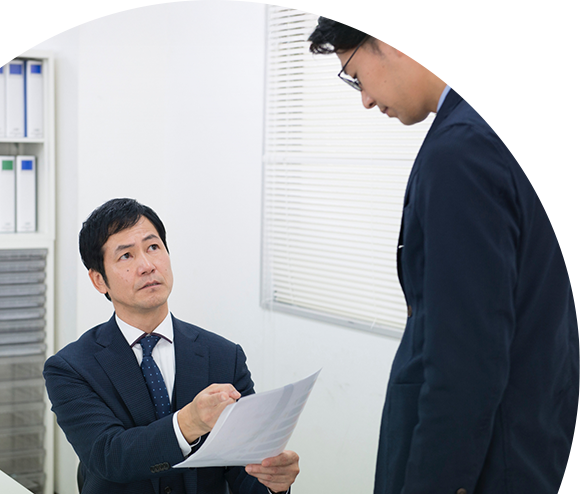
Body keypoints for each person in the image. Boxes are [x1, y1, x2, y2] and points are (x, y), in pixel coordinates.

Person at [309, 1, 578, 494]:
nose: (365, 99)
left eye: (355, 75)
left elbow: (464, 370)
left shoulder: (465, 147)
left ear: (392, 29)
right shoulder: (540, 120)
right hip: (543, 452)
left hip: (486, 469)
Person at [44, 198, 300, 494]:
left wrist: (273, 483)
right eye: (126, 256)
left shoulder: (224, 356)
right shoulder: (71, 368)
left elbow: (244, 467)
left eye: (153, 247)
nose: (147, 266)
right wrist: (189, 422)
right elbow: (110, 456)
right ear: (99, 280)